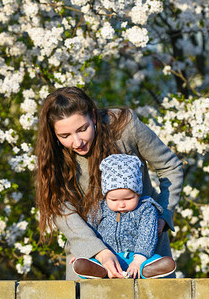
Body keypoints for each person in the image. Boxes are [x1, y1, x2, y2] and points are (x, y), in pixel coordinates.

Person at [35, 86, 183, 280]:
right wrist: (99, 252)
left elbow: (169, 166)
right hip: (90, 258)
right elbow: (60, 207)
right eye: (65, 136)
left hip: (144, 254)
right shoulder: (52, 156)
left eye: (82, 129)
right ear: (54, 134)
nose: (77, 141)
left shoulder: (125, 128)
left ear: (93, 117)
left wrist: (163, 213)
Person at [72, 154, 176, 279]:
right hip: (106, 258)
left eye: (128, 198)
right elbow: (88, 232)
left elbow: (147, 236)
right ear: (106, 196)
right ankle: (99, 271)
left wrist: (138, 261)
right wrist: (83, 250)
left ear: (138, 193)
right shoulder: (98, 208)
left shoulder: (145, 209)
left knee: (155, 259)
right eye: (114, 199)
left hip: (136, 257)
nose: (121, 204)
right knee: (89, 263)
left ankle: (146, 270)